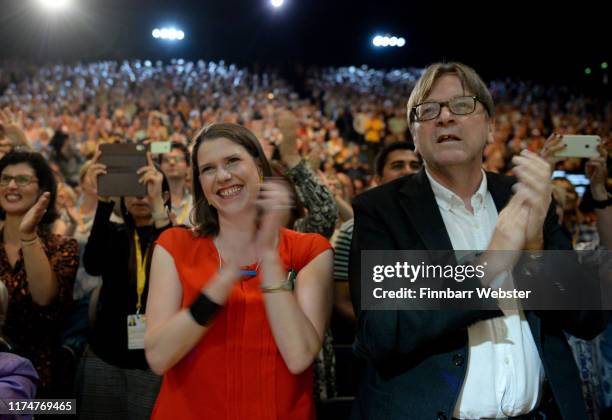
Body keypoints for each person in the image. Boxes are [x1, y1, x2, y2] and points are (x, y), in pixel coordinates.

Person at [348, 62, 607, 420]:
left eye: (461, 105)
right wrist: (489, 264)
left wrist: (534, 250)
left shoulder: (523, 196)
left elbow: (589, 317)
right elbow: (382, 332)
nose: (444, 118)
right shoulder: (382, 210)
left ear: (490, 127)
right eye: (428, 110)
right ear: (414, 135)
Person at [144, 123, 333, 419]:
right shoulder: (174, 246)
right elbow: (158, 356)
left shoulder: (309, 251)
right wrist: (223, 281)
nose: (222, 176)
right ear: (202, 188)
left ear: (258, 166)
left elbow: (299, 356)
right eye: (208, 169)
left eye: (232, 161)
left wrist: (268, 257)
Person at [76, 150, 172, 419]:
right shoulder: (115, 235)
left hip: (155, 362)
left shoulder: (175, 237)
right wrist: (104, 201)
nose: (140, 196)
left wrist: (158, 210)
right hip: (106, 355)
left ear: (163, 196)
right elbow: (93, 264)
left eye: (148, 189)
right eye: (133, 189)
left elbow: (176, 267)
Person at [0, 150, 78, 397]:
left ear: (43, 190)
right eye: (5, 179)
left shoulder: (62, 247)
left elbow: (44, 299)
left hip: (44, 384)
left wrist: (28, 236)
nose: (12, 185)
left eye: (22, 180)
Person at [159, 142, 193, 226]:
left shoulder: (197, 202)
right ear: (160, 166)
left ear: (188, 166)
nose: (172, 162)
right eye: (166, 160)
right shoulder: (155, 202)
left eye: (177, 159)